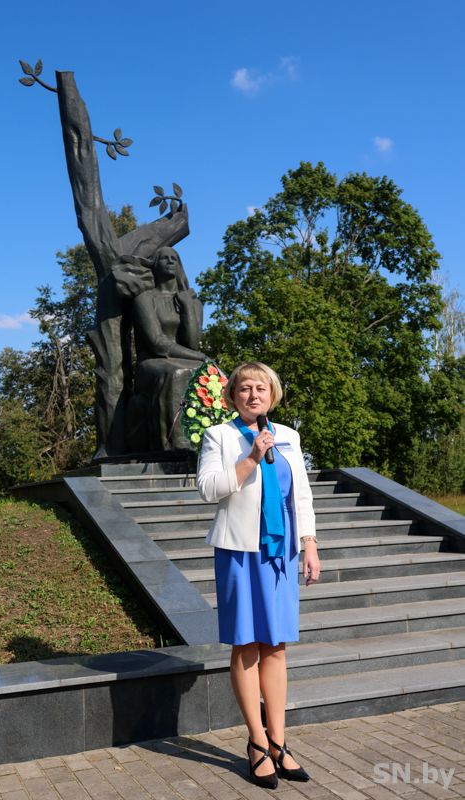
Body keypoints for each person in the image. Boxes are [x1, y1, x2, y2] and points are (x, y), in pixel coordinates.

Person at [196, 362, 320, 789]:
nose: (254, 395)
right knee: (247, 644)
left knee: (277, 646)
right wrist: (250, 457)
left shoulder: (288, 436)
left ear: (273, 394)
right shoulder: (220, 436)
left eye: (261, 388)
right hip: (240, 551)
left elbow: (300, 494)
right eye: (245, 388)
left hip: (281, 552)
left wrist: (309, 543)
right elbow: (208, 489)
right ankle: (256, 743)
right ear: (232, 395)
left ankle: (280, 743)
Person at [128, 247, 206, 450]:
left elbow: (192, 343)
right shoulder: (145, 299)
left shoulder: (192, 302)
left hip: (184, 357)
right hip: (151, 362)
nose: (170, 261)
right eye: (164, 258)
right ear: (154, 266)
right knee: (178, 372)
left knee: (207, 373)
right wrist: (199, 357)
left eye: (174, 258)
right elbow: (157, 342)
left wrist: (187, 307)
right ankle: (178, 440)